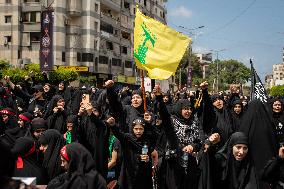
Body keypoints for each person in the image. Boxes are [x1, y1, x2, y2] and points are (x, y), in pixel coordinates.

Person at [107, 116, 154, 189]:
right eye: (136, 129)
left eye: (141, 129)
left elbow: (152, 154)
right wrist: (113, 125)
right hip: (129, 175)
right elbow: (119, 134)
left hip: (143, 176)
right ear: (132, 129)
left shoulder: (147, 141)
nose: (138, 131)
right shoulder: (128, 139)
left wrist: (148, 160)